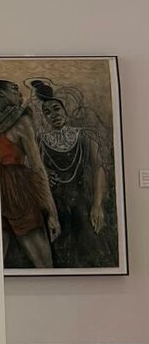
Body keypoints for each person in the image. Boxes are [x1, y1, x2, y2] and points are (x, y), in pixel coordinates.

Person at [28, 80, 115, 269]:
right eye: (47, 112)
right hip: (55, 207)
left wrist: (97, 204)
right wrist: (45, 174)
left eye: (56, 109)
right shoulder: (40, 142)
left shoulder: (85, 136)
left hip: (83, 203)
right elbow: (34, 172)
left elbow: (98, 168)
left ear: (65, 110)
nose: (53, 115)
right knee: (60, 253)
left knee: (91, 249)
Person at [0, 80, 59, 268]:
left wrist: (51, 212)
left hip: (4, 193)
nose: (20, 93)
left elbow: (38, 168)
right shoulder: (22, 122)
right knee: (44, 265)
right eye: (14, 89)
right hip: (15, 193)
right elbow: (38, 168)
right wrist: (52, 213)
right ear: (0, 93)